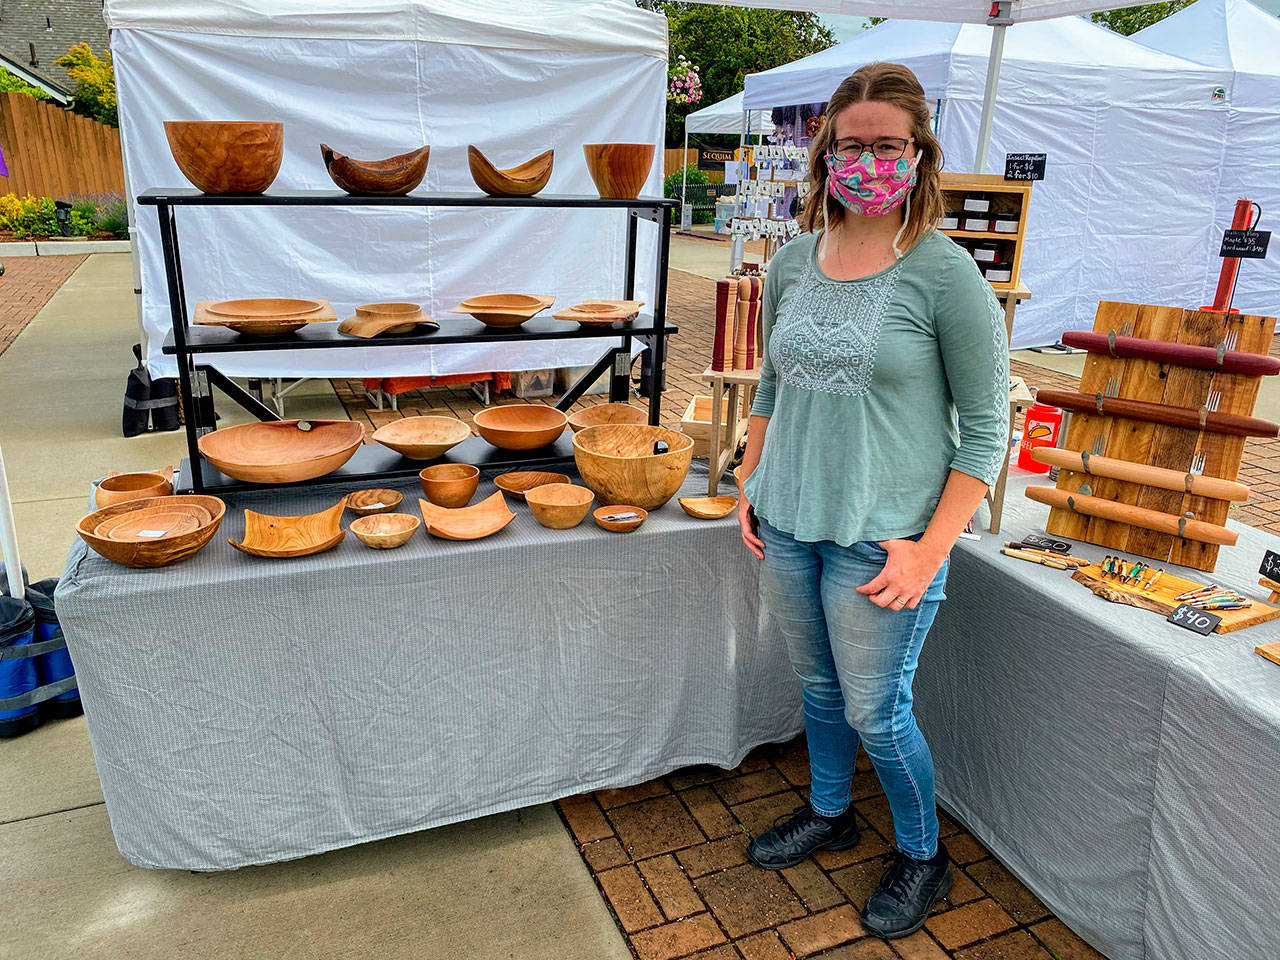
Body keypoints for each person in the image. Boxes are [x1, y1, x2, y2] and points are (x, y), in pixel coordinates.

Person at [737, 62, 1009, 940]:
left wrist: (930, 550)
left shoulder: (945, 274)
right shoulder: (788, 263)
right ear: (825, 155)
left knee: (875, 710)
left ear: (919, 154)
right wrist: (751, 476)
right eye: (851, 145)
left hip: (882, 538)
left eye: (887, 146)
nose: (868, 162)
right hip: (788, 522)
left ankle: (924, 853)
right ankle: (830, 810)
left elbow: (985, 431)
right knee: (817, 685)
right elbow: (772, 384)